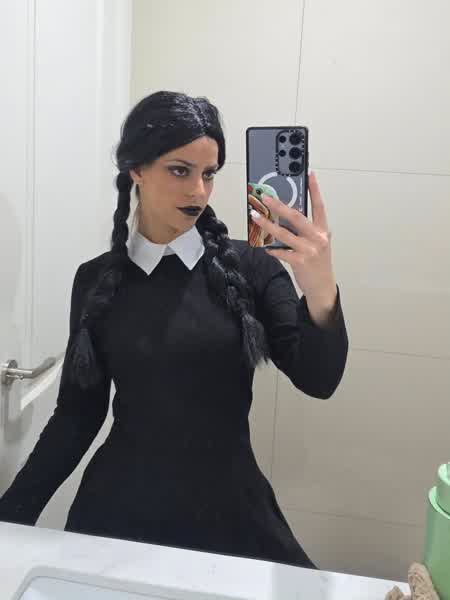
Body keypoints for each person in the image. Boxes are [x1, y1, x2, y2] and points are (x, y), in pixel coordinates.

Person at [0, 91, 348, 568]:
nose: (199, 192)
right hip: (118, 513)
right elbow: (77, 415)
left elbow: (319, 379)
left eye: (209, 174)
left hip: (230, 512)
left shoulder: (252, 268)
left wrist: (320, 288)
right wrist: (12, 516)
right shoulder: (96, 280)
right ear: (136, 170)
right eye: (180, 170)